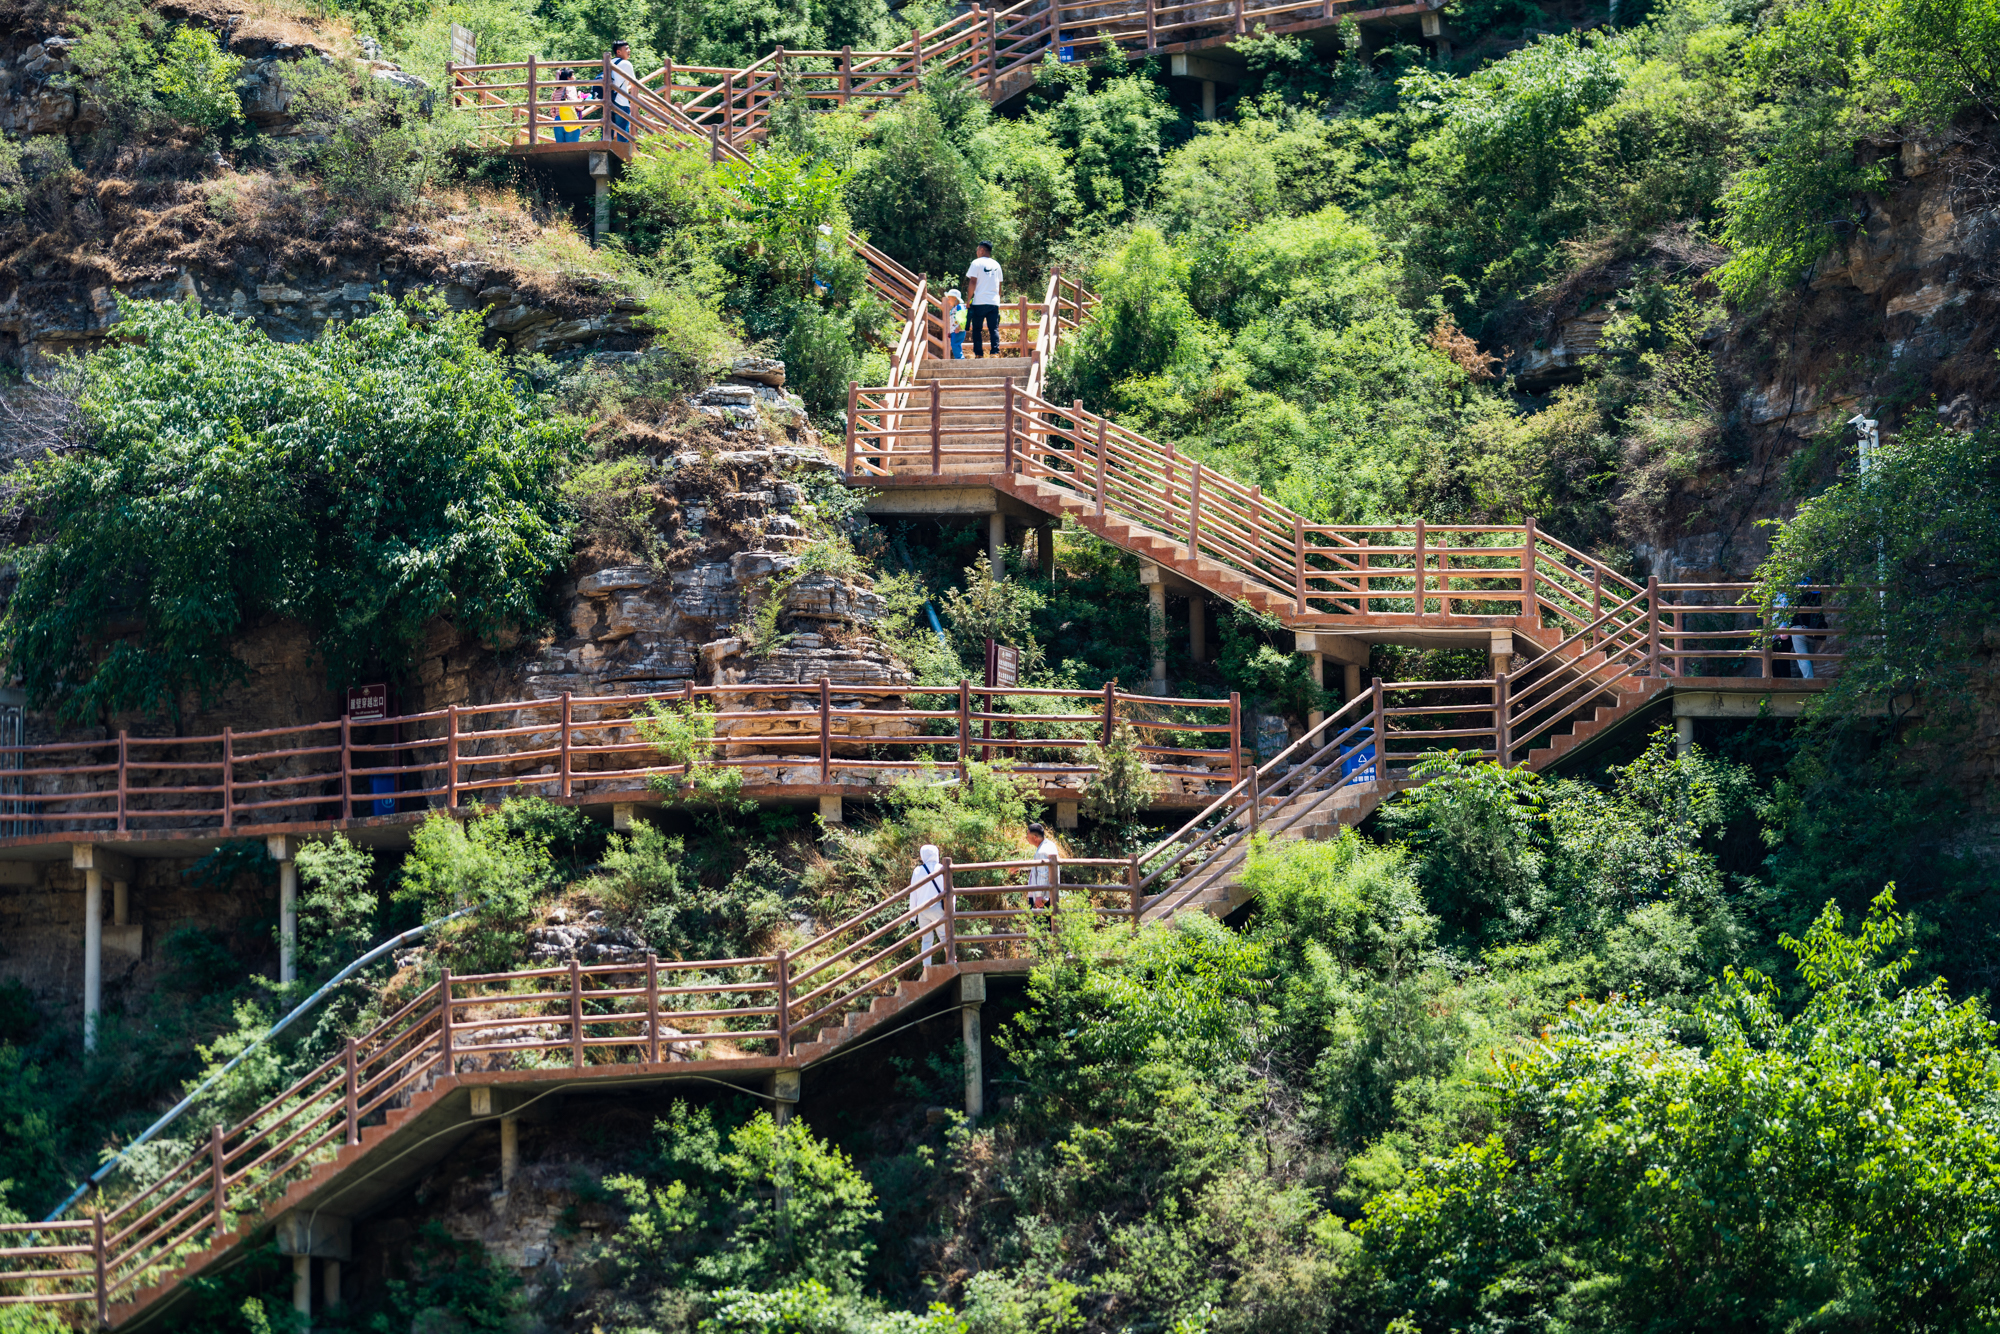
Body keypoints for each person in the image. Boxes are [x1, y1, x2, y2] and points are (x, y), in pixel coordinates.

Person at [909, 843, 948, 966]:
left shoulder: (917, 871)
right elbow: (950, 891)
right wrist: (952, 911)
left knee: (926, 940)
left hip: (922, 909)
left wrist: (912, 917)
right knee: (944, 937)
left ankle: (927, 967)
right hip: (938, 908)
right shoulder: (941, 868)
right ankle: (952, 961)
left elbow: (913, 894)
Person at [964, 242, 1002, 358]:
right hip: (993, 302)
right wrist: (997, 300)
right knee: (993, 328)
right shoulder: (997, 265)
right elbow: (999, 285)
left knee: (977, 329)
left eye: (977, 250)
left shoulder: (976, 263)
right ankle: (995, 352)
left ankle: (979, 354)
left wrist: (969, 299)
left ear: (981, 250)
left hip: (979, 301)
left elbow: (973, 282)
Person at [1025, 821, 1059, 911]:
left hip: (1042, 898)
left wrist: (1039, 896)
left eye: (1028, 835)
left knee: (1041, 923)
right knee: (1050, 922)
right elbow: (1038, 866)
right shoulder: (1050, 845)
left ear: (1035, 838)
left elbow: (1042, 873)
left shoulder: (1042, 852)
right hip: (1049, 895)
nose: (1027, 837)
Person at [607, 40, 637, 142]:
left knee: (608, 129)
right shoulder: (626, 63)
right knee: (623, 131)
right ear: (618, 52)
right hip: (621, 101)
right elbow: (634, 84)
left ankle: (606, 150)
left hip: (608, 100)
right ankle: (623, 155)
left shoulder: (610, 62)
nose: (629, 50)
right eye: (626, 49)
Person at [550, 69, 584, 143]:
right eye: (573, 75)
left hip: (557, 120)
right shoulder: (570, 87)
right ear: (568, 77)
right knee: (572, 149)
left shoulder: (556, 91)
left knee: (560, 150)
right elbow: (574, 102)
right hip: (569, 119)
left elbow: (552, 109)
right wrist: (581, 103)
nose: (574, 77)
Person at [942, 287, 967, 359]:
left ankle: (960, 359)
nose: (948, 300)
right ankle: (959, 359)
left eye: (949, 298)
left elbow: (963, 317)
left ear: (955, 298)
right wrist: (950, 331)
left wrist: (959, 327)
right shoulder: (954, 308)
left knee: (955, 344)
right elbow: (953, 320)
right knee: (954, 345)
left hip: (958, 329)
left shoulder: (960, 306)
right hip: (954, 330)